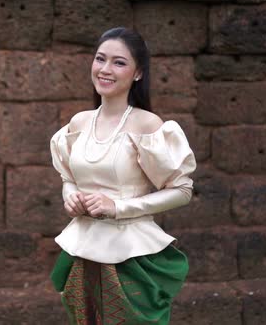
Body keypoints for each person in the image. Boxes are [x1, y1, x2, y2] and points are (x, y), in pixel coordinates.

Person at [49, 27, 197, 324]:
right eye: (100, 59)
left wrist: (117, 207)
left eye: (119, 62)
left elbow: (182, 189)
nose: (105, 69)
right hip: (83, 249)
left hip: (131, 254)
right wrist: (71, 199)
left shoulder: (148, 125)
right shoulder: (80, 122)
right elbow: (69, 178)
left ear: (138, 72)